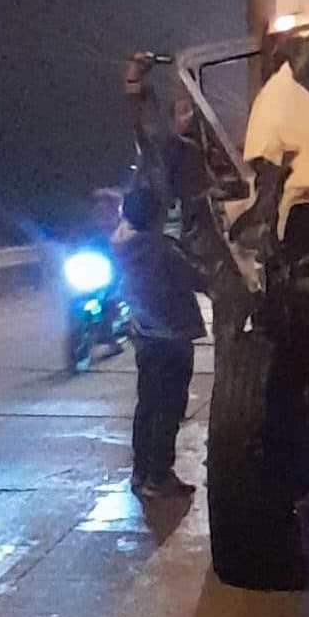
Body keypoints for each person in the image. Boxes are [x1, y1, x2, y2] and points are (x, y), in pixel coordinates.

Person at [117, 185, 205, 499]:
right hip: (173, 339)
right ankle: (160, 475)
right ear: (159, 215)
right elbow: (198, 279)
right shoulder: (166, 250)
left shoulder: (124, 250)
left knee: (148, 405)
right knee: (169, 407)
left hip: (145, 338)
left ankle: (141, 472)